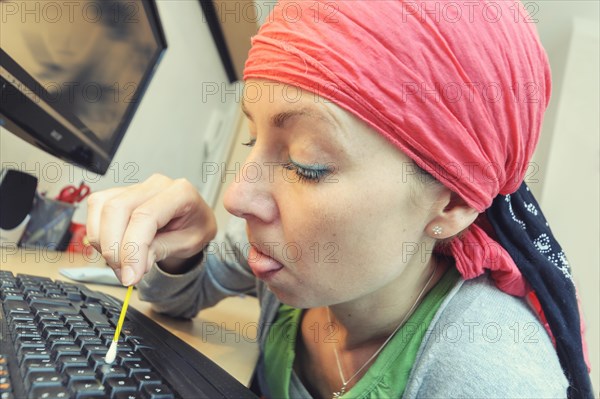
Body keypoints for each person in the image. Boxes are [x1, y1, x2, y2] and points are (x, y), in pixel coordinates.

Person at [86, 1, 593, 398]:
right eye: (251, 138)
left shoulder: (490, 374)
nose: (238, 197)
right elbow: (180, 297)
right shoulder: (280, 255)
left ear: (452, 205)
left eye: (307, 163)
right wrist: (182, 251)